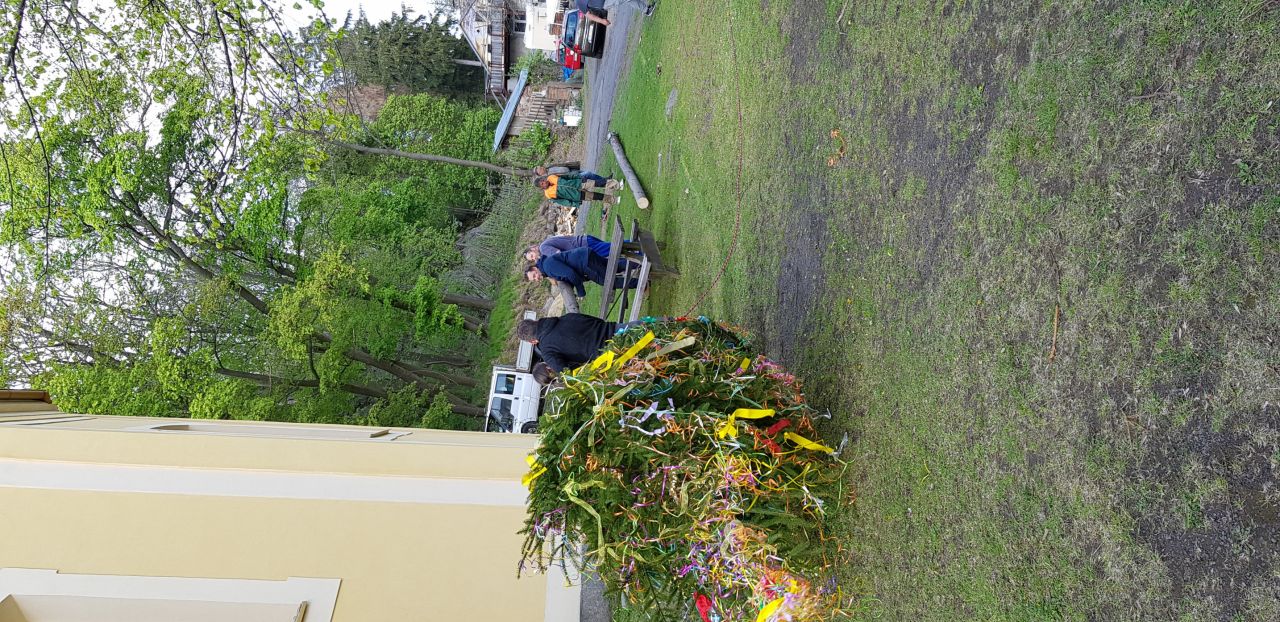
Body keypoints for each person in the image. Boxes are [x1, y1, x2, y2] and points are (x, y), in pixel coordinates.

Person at [517, 313, 618, 373]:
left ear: (533, 341)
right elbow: (597, 320)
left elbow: (567, 373)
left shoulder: (548, 353)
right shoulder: (566, 317)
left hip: (611, 354)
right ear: (535, 321)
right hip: (616, 328)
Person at [526, 246, 640, 297]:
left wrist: (580, 291)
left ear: (535, 268)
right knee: (613, 266)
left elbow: (570, 273)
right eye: (534, 279)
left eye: (534, 275)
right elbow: (566, 273)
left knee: (609, 282)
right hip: (585, 255)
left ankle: (642, 284)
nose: (536, 278)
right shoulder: (546, 267)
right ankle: (641, 261)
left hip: (585, 262)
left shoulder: (547, 266)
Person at [535, 171, 619, 208]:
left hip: (578, 183)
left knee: (598, 183)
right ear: (541, 187)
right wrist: (574, 204)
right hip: (577, 195)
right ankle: (614, 200)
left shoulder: (551, 177)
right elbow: (563, 201)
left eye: (543, 180)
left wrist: (578, 176)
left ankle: (616, 185)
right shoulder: (549, 195)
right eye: (542, 184)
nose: (544, 182)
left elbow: (567, 176)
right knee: (597, 196)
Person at [524, 235, 615, 263]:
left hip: (584, 246)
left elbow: (559, 254)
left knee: (615, 248)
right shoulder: (545, 243)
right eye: (532, 259)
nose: (534, 258)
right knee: (614, 249)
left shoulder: (543, 249)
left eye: (532, 255)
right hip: (584, 240)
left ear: (533, 248)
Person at [578, 0, 655, 26]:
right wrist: (602, 21)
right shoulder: (579, 2)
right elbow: (589, 15)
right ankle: (647, 10)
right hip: (605, 2)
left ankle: (646, 10)